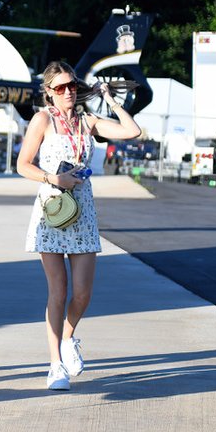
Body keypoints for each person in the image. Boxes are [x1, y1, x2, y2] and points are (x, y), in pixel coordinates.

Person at [16, 61, 141, 392]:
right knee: (58, 291)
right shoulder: (42, 120)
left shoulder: (88, 121)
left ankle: (69, 338)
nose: (68, 92)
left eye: (72, 86)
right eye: (60, 88)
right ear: (49, 93)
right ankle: (55, 364)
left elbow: (132, 131)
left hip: (82, 210)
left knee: (83, 293)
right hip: (52, 209)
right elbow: (22, 165)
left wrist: (109, 100)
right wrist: (52, 177)